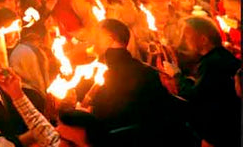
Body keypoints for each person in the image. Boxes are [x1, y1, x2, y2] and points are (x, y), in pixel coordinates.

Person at [90, 18, 183, 143]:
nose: (94, 42)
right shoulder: (146, 70)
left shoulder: (108, 75)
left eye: (98, 37)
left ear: (109, 39)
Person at [174, 16, 241, 147]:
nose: (184, 41)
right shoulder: (222, 55)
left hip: (220, 132)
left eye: (187, 36)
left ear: (203, 40)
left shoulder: (211, 63)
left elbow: (194, 97)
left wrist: (176, 76)